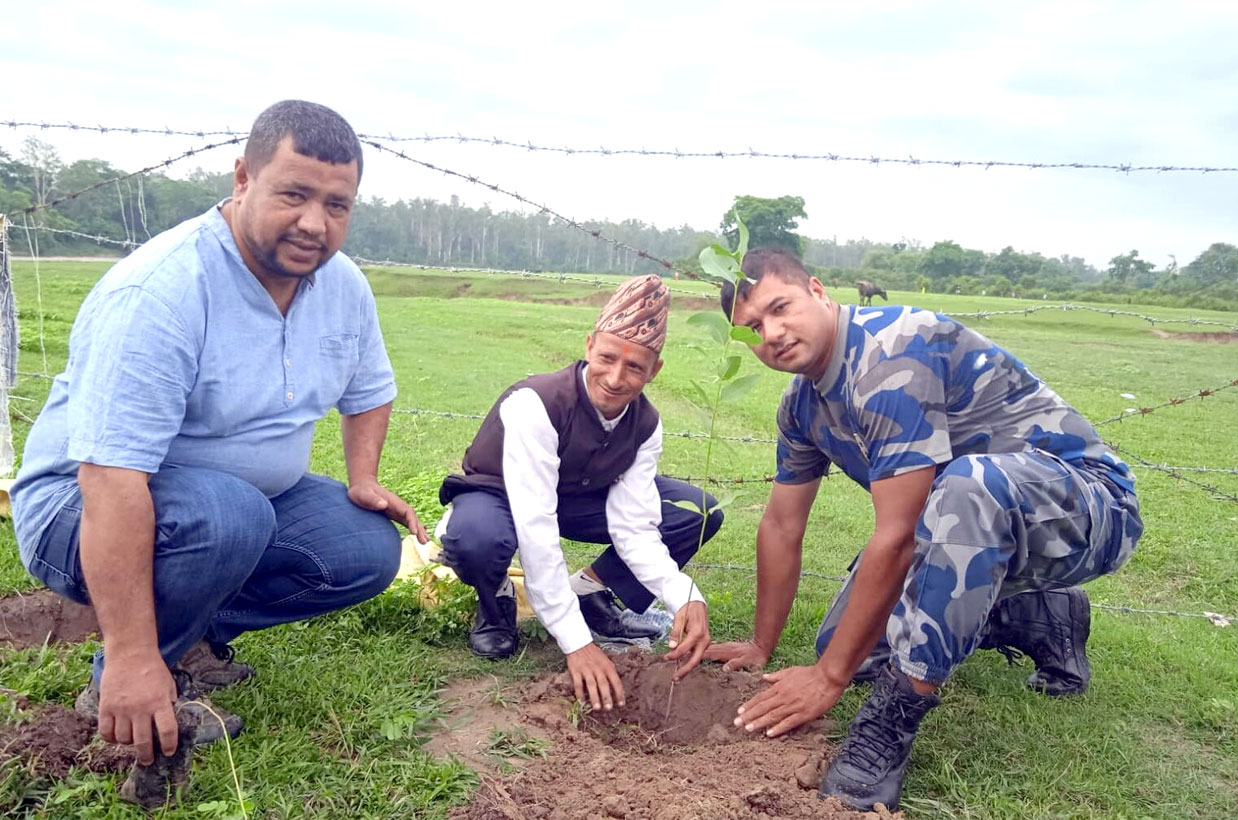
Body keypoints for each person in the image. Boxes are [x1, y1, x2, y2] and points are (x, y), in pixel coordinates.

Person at [10, 100, 424, 807]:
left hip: (232, 505)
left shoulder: (342, 285)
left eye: (337, 205)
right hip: (77, 509)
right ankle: (129, 672)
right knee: (229, 516)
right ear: (243, 178)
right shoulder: (163, 292)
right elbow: (111, 479)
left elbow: (370, 389)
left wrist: (363, 476)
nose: (315, 223)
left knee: (362, 547)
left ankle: (192, 635)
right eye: (294, 194)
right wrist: (135, 658)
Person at [705, 248, 1143, 811]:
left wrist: (827, 679)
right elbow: (782, 524)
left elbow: (899, 535)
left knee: (966, 486)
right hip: (967, 524)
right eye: (752, 328)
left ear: (817, 290)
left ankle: (891, 723)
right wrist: (762, 645)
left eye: (779, 307)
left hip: (1085, 507)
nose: (772, 333)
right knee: (849, 646)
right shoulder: (801, 408)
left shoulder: (890, 353)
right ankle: (1038, 615)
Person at [438, 275, 720, 709]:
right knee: (477, 539)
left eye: (635, 367)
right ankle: (496, 599)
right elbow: (536, 526)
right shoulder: (537, 404)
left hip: (577, 495)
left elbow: (634, 527)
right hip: (501, 494)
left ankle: (587, 591)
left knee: (696, 512)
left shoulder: (645, 425)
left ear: (655, 370)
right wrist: (576, 642)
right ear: (589, 346)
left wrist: (684, 594)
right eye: (607, 357)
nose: (616, 378)